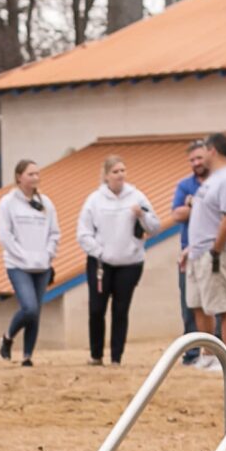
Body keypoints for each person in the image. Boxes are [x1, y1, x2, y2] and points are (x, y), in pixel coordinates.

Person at [76, 155, 154, 367]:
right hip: (101, 264)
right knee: (97, 309)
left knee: (120, 310)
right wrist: (99, 252)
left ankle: (116, 357)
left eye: (123, 171)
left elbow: (154, 226)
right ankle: (96, 355)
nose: (120, 175)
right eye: (116, 172)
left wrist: (142, 216)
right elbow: (83, 233)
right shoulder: (94, 200)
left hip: (129, 263)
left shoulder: (137, 197)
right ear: (106, 176)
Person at [183, 133, 226, 371]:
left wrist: (215, 251)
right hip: (198, 253)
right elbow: (206, 219)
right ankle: (208, 355)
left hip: (217, 254)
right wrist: (191, 249)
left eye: (204, 150)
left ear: (212, 150)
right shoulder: (213, 179)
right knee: (200, 304)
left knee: (224, 305)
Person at [0, 160, 58, 366]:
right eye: (30, 174)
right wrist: (22, 255)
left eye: (37, 174)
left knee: (36, 311)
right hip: (18, 265)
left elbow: (54, 233)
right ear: (19, 177)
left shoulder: (46, 203)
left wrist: (48, 254)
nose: (35, 178)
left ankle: (27, 355)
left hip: (42, 265)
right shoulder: (8, 203)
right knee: (29, 307)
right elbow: (5, 235)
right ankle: (8, 337)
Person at [165, 138, 209, 364]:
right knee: (190, 304)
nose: (196, 163)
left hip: (211, 251)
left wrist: (195, 205)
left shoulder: (218, 182)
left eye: (199, 158)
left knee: (214, 304)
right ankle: (192, 353)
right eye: (192, 159)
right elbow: (176, 215)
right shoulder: (185, 185)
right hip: (187, 253)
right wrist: (193, 206)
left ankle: (217, 352)